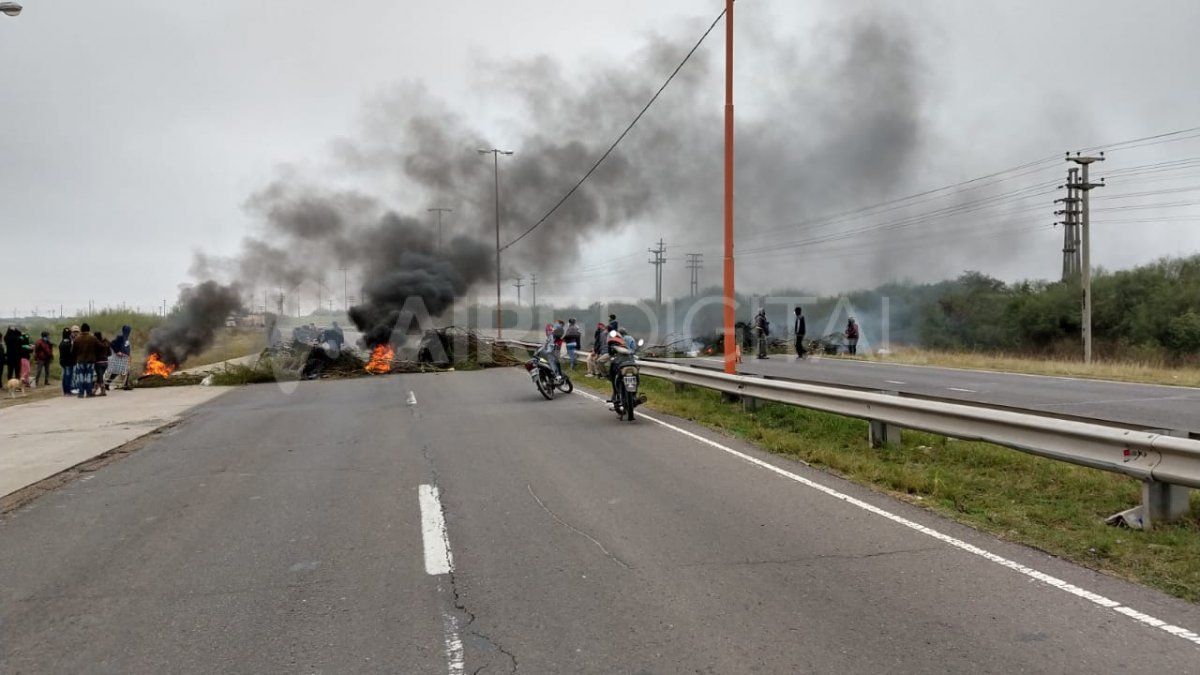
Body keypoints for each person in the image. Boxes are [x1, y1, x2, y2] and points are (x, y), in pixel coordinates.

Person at [71, 323, 101, 399]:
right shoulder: (93, 338)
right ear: (89, 329)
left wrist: (76, 357)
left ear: (81, 330)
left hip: (80, 361)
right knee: (89, 377)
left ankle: (80, 393)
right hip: (90, 361)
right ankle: (89, 393)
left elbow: (73, 351)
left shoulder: (77, 339)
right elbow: (99, 347)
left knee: (80, 377)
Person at [105, 325, 132, 390]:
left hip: (125, 358)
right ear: (124, 331)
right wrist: (117, 352)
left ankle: (125, 385)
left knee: (126, 371)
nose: (128, 332)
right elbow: (112, 344)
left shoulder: (126, 338)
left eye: (129, 331)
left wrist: (129, 355)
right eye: (127, 330)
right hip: (120, 358)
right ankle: (107, 383)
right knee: (117, 371)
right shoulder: (120, 337)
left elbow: (126, 347)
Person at [93, 331, 111, 396]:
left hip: (98, 362)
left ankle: (103, 391)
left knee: (100, 377)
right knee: (99, 377)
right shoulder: (106, 343)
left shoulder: (96, 344)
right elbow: (110, 353)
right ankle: (94, 391)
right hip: (105, 362)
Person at [58, 327, 76, 396]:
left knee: (65, 376)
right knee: (68, 376)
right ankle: (68, 391)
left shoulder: (62, 341)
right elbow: (72, 352)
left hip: (62, 361)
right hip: (69, 362)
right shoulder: (70, 342)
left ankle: (65, 391)